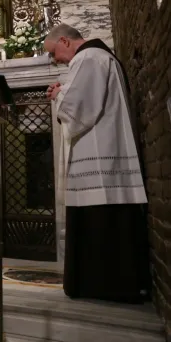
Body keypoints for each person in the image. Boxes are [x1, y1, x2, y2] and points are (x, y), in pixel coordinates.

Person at [44, 24, 150, 303]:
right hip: (105, 146)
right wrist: (66, 91)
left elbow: (79, 110)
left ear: (65, 41)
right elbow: (86, 100)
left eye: (53, 53)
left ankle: (104, 285)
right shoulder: (97, 57)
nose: (55, 60)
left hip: (99, 150)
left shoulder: (88, 58)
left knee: (100, 217)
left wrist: (58, 96)